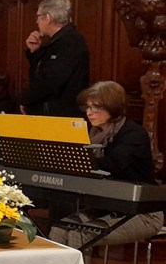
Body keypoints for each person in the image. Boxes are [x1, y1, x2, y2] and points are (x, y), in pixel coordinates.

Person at [49, 82, 163, 249]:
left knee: (79, 235)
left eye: (95, 107)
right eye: (87, 107)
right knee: (59, 229)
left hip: (142, 211)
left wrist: (73, 160)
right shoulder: (93, 133)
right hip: (108, 206)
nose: (89, 112)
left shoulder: (134, 134)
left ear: (113, 107)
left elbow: (112, 165)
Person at [21, 0, 90, 117]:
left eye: (38, 17)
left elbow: (51, 81)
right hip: (53, 112)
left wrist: (26, 100)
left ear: (48, 18)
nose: (37, 22)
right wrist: (35, 52)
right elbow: (41, 75)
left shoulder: (70, 41)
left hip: (60, 115)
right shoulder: (59, 42)